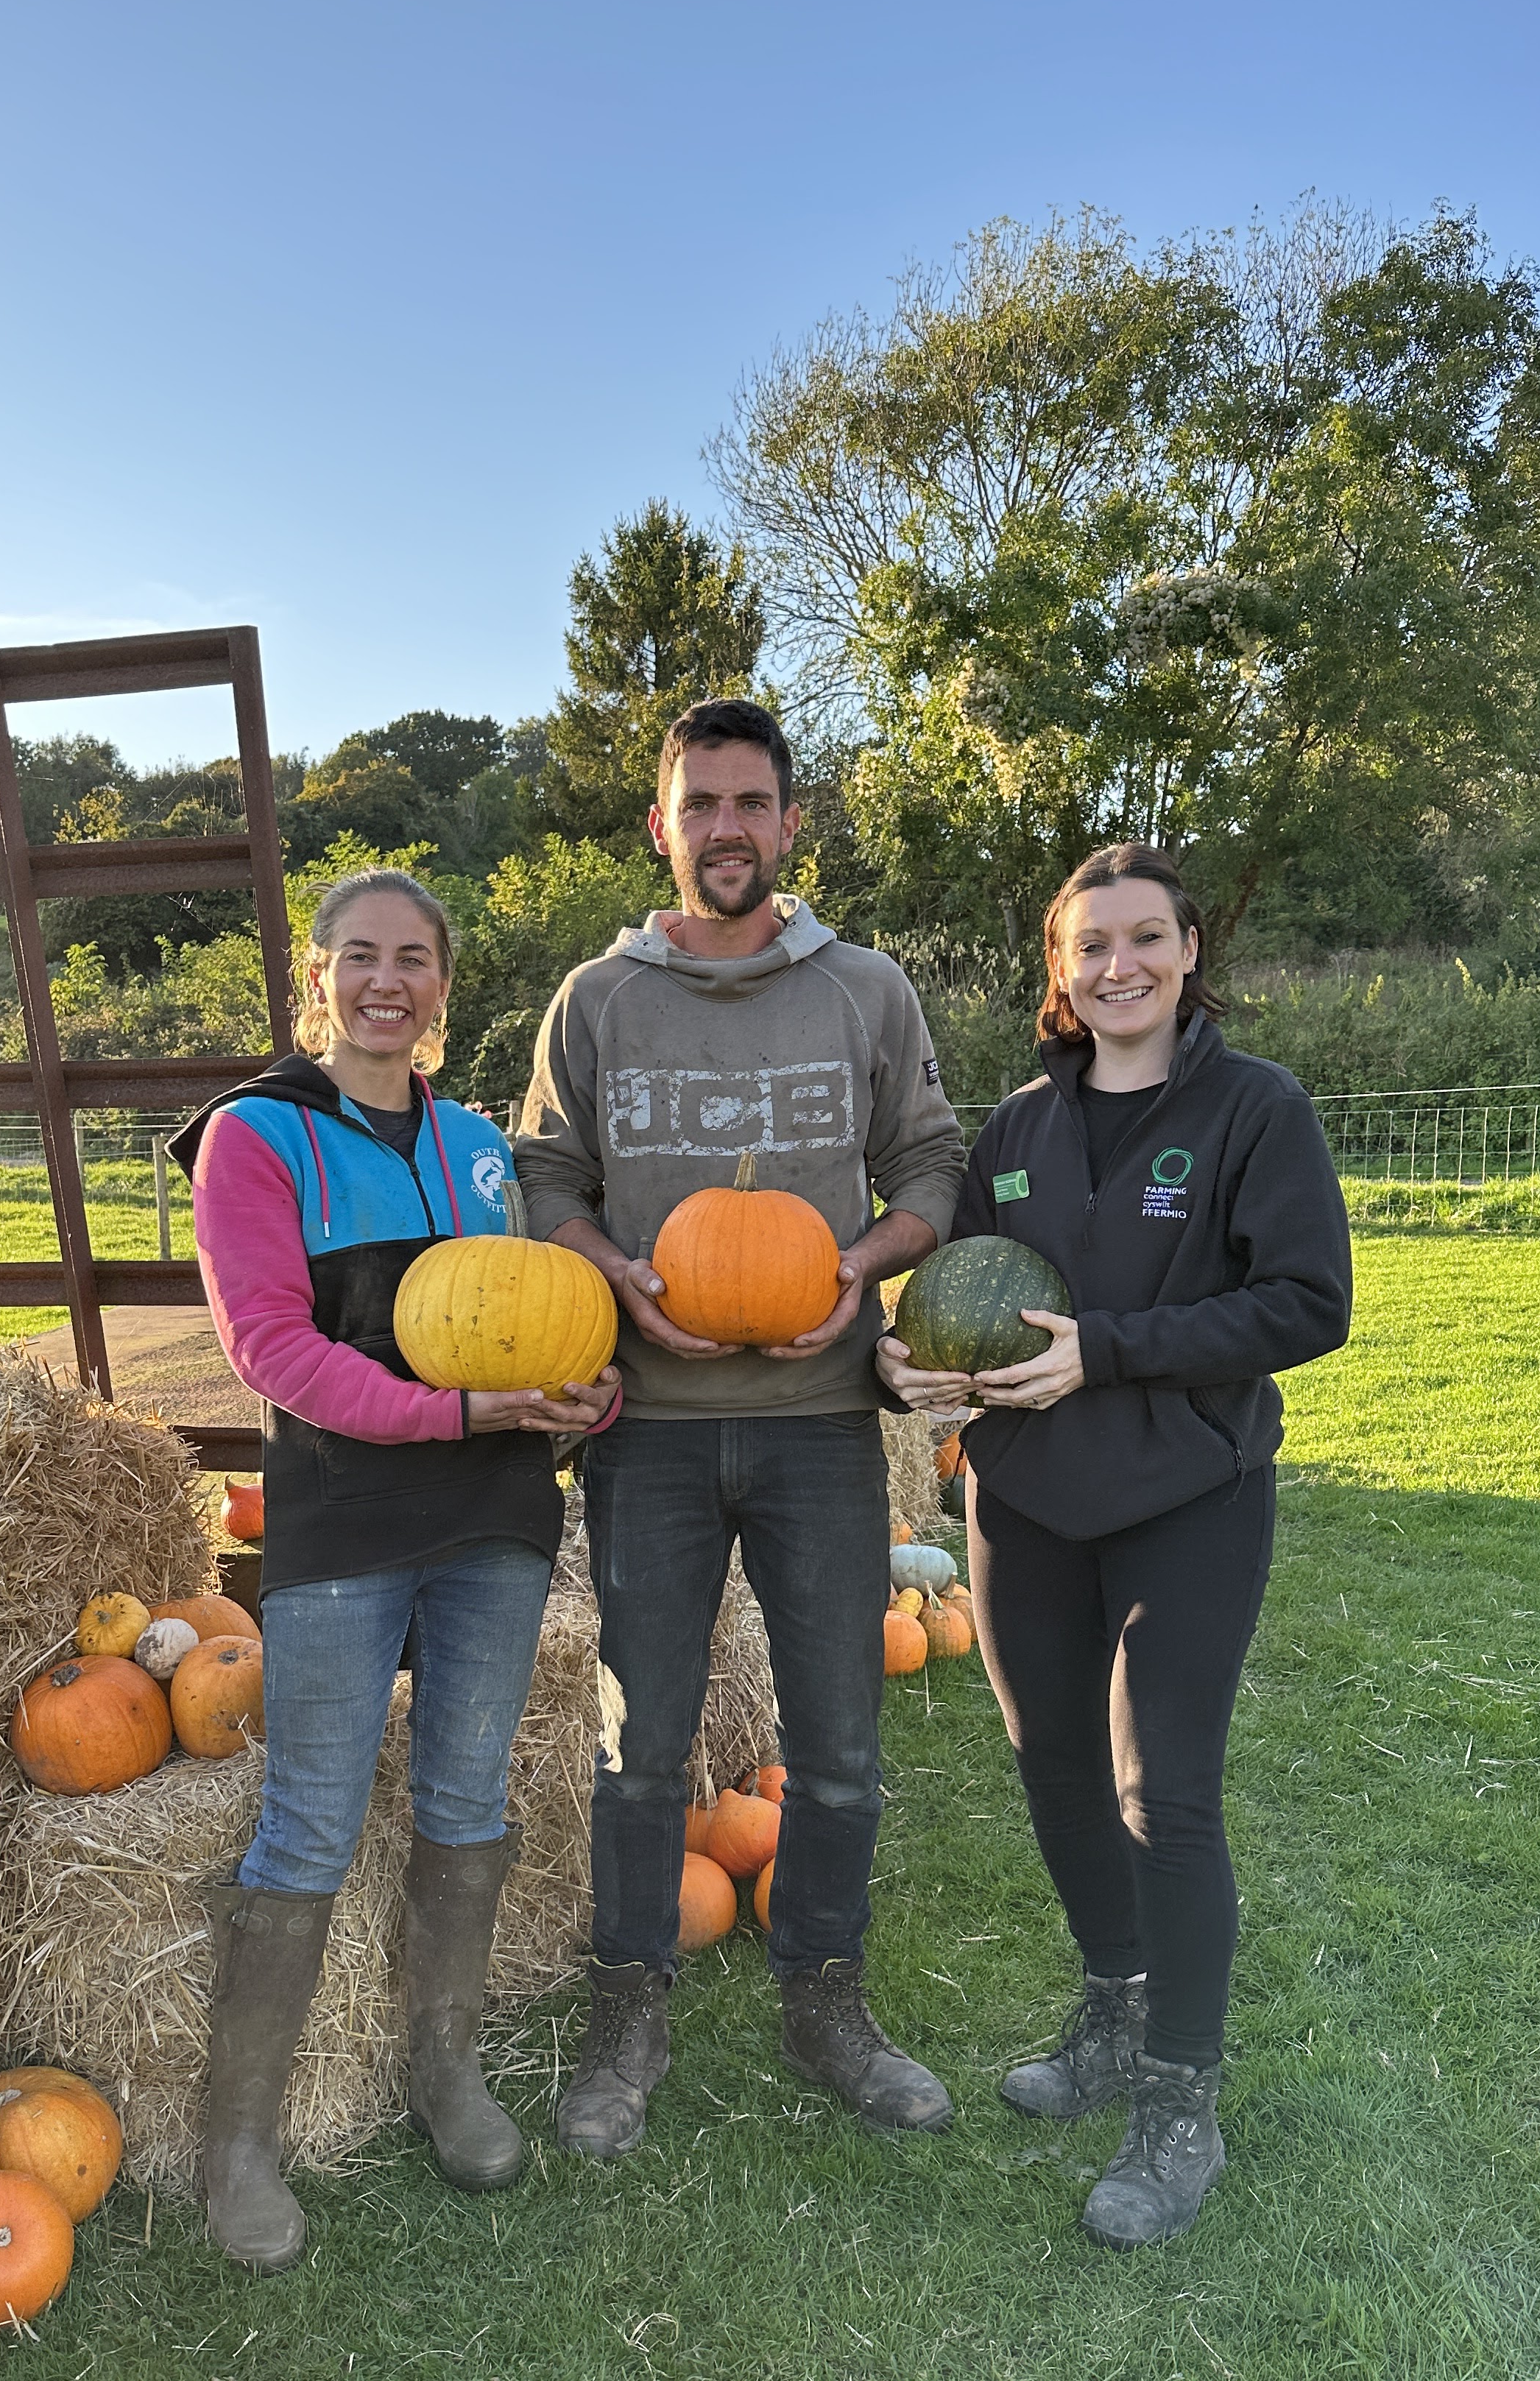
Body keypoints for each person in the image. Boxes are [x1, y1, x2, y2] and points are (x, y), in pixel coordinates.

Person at [878, 842, 1350, 2248]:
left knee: (1168, 1796)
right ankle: (1111, 2004)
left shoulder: (1255, 1110)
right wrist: (903, 1368)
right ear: (1060, 967)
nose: (1120, 967)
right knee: (1060, 1776)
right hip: (1023, 1502)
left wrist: (1112, 1351)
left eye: (1147, 938)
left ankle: (1179, 2099)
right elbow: (948, 1295)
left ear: (1191, 951)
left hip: (1188, 1500)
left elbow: (1307, 1303)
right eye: (1093, 946)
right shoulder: (1017, 1133)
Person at [515, 696, 969, 2156]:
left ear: (789, 822)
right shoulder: (597, 1002)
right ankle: (628, 2000)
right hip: (647, 1431)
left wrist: (860, 1269)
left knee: (838, 1742)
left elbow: (932, 1172)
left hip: (820, 1428)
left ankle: (825, 1995)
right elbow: (546, 1183)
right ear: (662, 827)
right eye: (698, 803)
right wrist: (621, 1281)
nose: (726, 828)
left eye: (751, 803)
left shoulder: (865, 994)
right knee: (638, 1742)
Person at [171, 869, 618, 2271]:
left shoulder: (481, 1144)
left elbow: (528, 1324)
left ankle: (445, 2074)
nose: (388, 982)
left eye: (414, 959)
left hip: (493, 1516)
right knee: (309, 1818)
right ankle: (238, 2146)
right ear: (318, 979)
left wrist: (577, 1397)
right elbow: (273, 1354)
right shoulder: (255, 1139)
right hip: (346, 1515)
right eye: (359, 956)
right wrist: (457, 1412)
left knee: (467, 1798)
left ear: (442, 985)